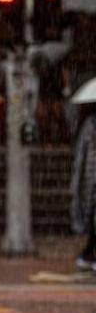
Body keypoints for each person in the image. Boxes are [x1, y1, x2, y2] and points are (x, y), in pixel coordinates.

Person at [70, 104, 96, 271]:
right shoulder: (90, 125)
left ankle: (87, 254)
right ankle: (88, 254)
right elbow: (81, 156)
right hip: (91, 180)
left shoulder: (89, 124)